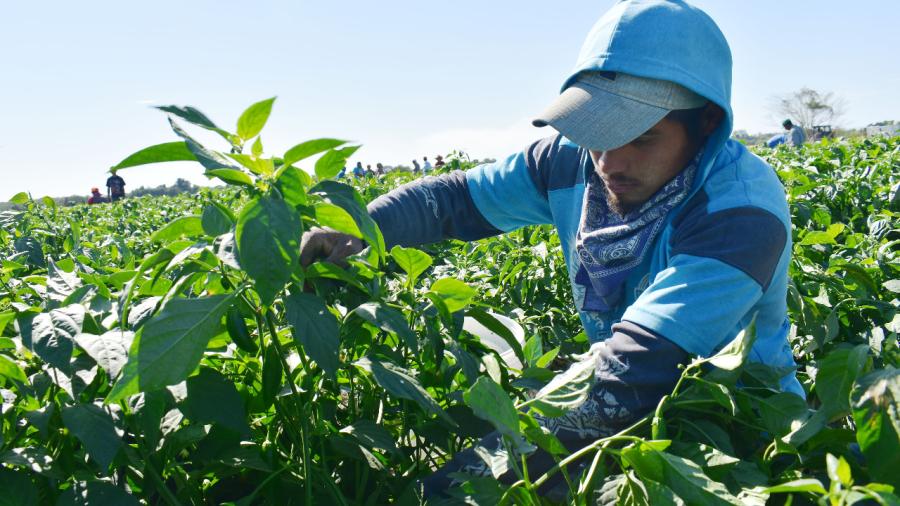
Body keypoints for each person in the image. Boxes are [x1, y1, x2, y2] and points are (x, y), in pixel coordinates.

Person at [300, 0, 800, 497]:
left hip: (730, 431)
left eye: (641, 138)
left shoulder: (740, 215)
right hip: (618, 393)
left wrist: (459, 487)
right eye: (597, 135)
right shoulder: (568, 162)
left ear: (707, 123)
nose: (610, 162)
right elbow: (456, 200)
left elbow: (638, 370)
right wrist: (359, 226)